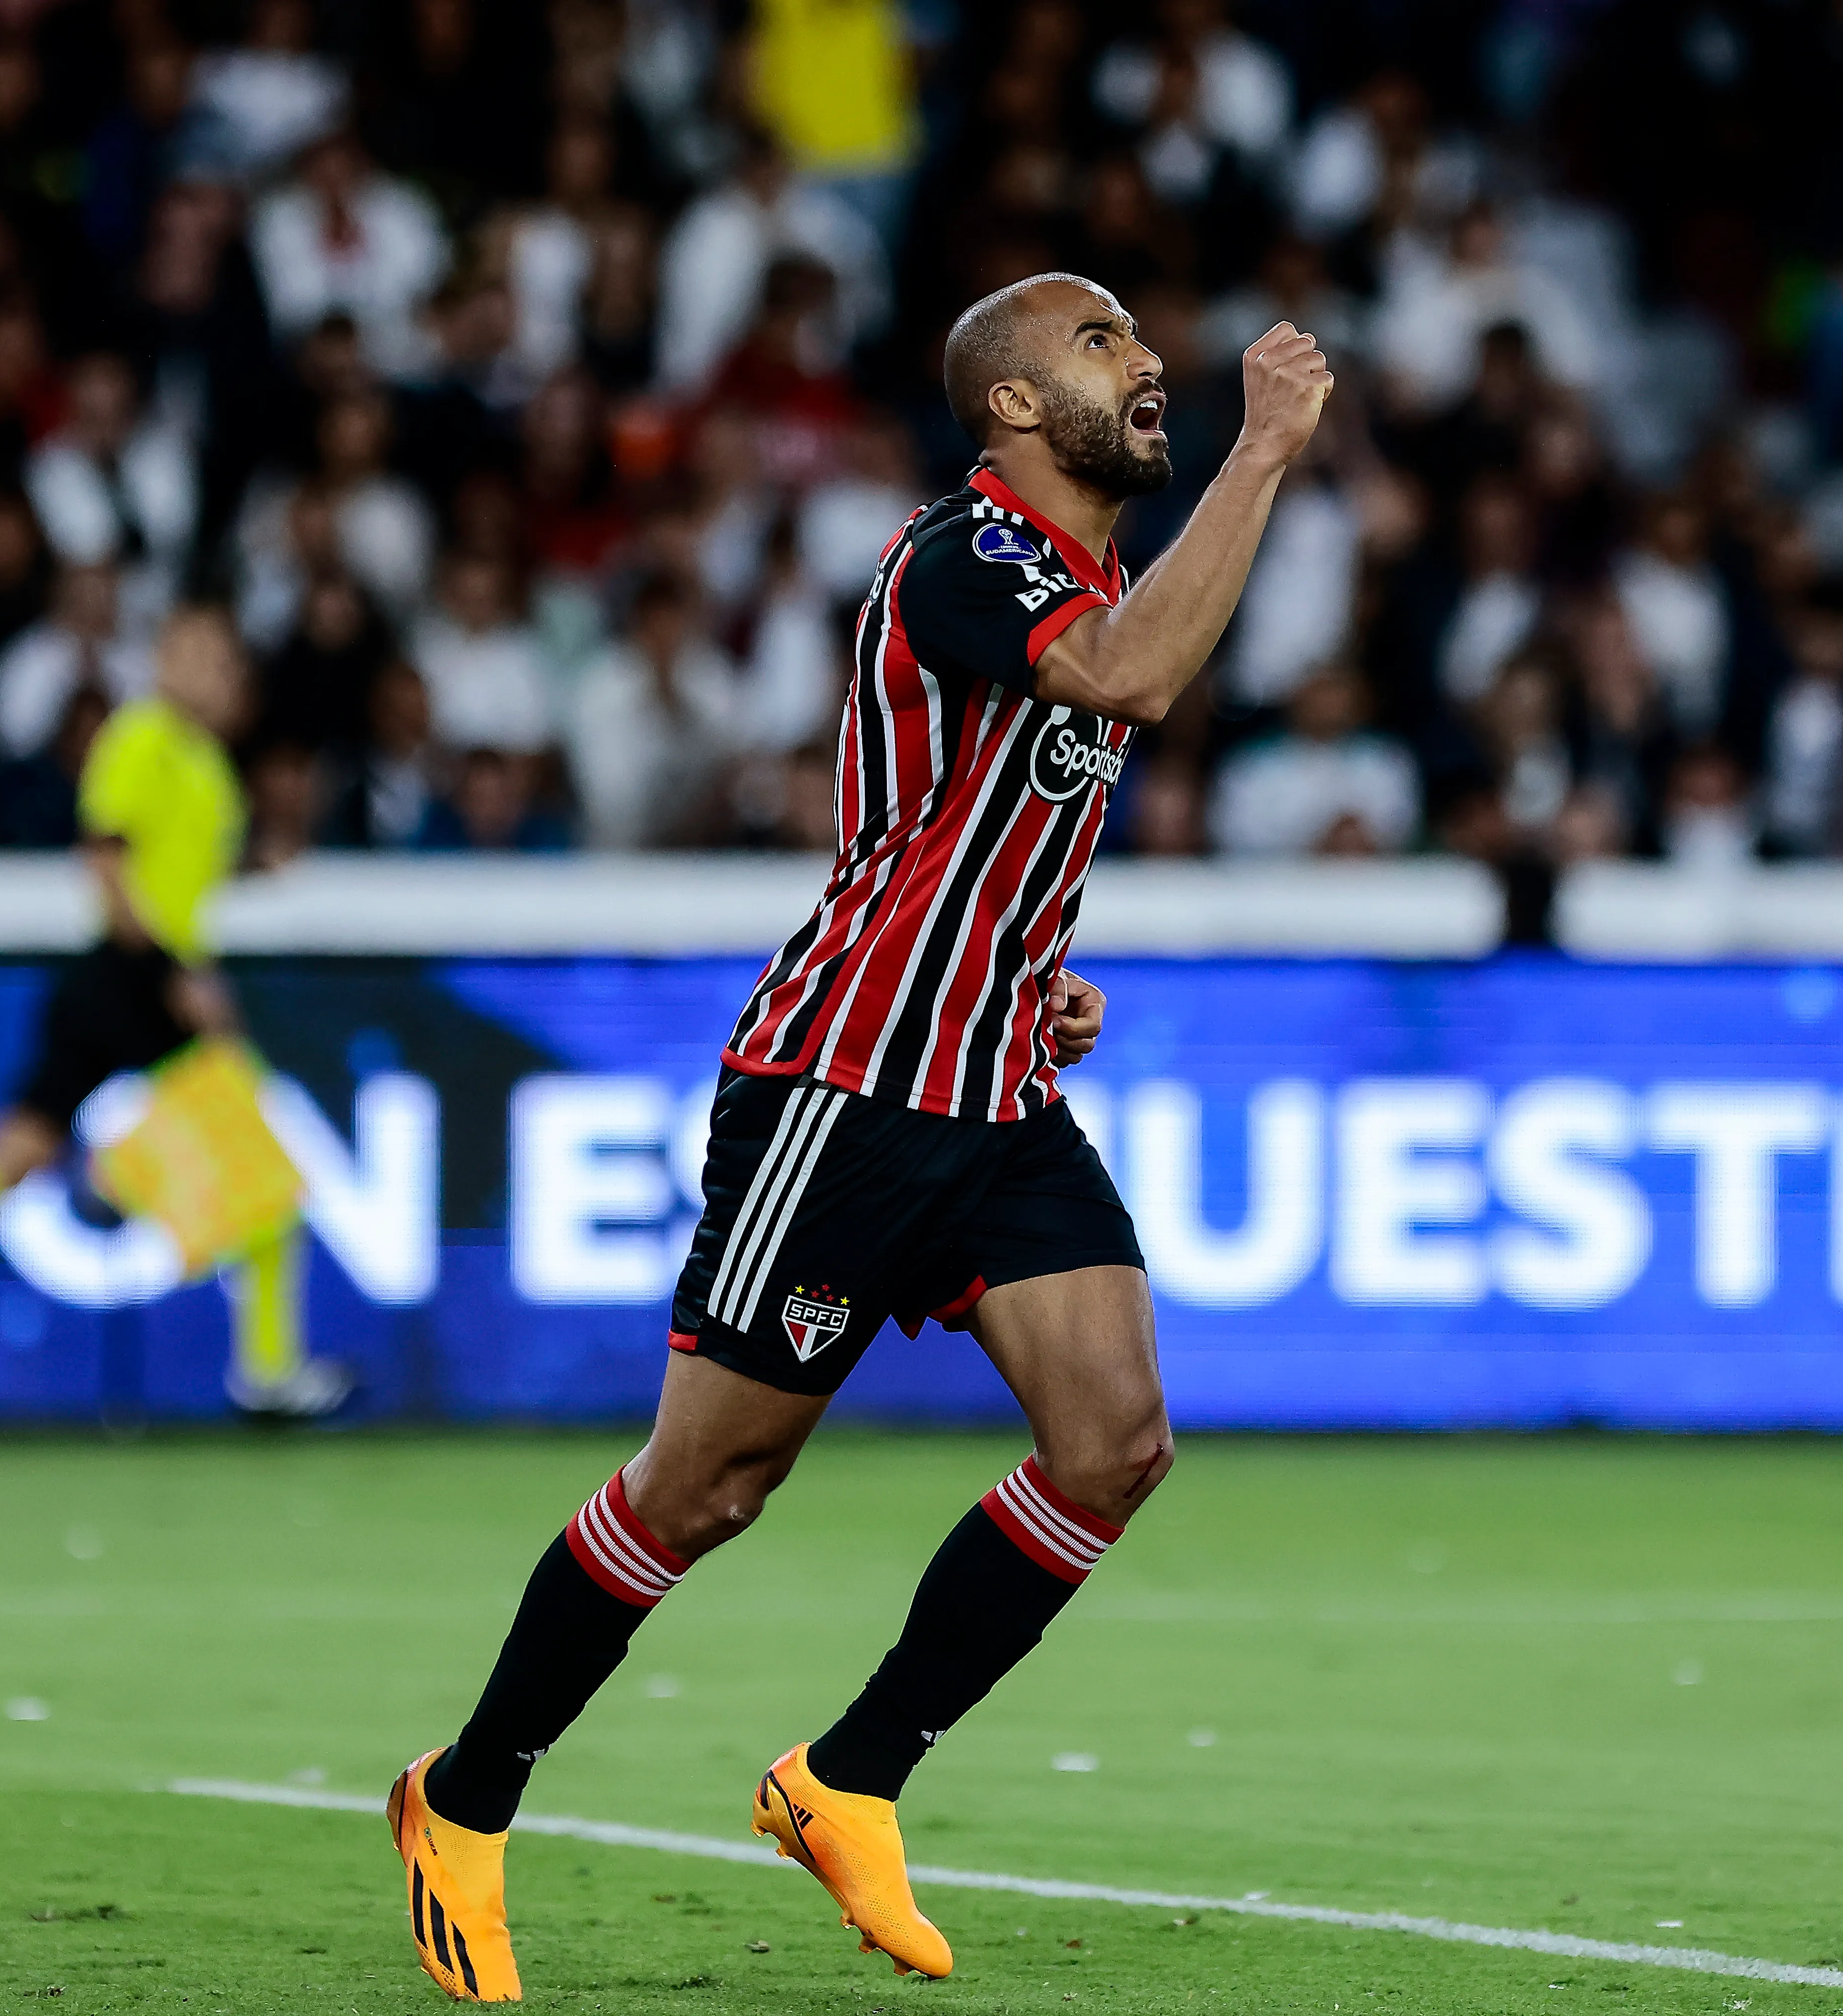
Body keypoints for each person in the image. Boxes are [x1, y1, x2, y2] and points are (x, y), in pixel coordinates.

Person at [387, 275, 1332, 2000]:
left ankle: (846, 1778)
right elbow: (1124, 687)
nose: (1145, 365)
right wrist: (1265, 455)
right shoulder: (961, 557)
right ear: (1012, 409)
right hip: (844, 1093)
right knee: (706, 1490)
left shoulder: (1087, 572)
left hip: (992, 1089)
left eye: (1137, 338)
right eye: (1100, 341)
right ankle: (462, 1797)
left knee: (1113, 1442)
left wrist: (1037, 977)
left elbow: (986, 823)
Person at [0, 609, 351, 1421]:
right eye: (196, 656)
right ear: (163, 660)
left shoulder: (206, 765)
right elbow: (106, 864)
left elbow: (179, 871)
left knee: (14, 1161)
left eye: (225, 663)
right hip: (136, 984)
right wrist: (175, 974)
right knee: (263, 1172)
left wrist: (252, 867)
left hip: (125, 985)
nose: (213, 676)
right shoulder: (141, 738)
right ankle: (244, 1342)